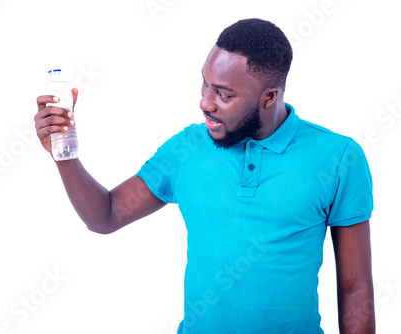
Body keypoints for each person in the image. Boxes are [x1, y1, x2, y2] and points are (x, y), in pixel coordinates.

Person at [35, 18, 375, 334]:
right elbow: (105, 215)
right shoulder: (187, 150)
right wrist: (65, 154)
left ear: (269, 97)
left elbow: (355, 288)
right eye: (205, 84)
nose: (205, 103)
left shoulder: (339, 157)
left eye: (224, 94)